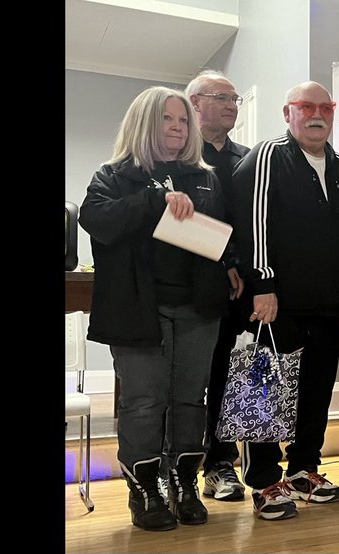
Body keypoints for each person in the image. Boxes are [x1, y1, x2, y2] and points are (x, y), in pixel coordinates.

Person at [80, 86, 236, 530]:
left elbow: (223, 232)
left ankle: (185, 481)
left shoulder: (205, 176)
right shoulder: (113, 175)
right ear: (145, 123)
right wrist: (155, 201)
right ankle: (145, 488)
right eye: (167, 119)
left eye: (183, 120)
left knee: (190, 400)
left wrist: (234, 263)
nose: (177, 127)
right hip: (138, 310)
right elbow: (98, 221)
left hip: (197, 308)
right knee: (144, 401)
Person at [231, 81, 339, 520]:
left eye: (326, 106)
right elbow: (254, 223)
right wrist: (263, 285)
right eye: (306, 106)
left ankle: (305, 467)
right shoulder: (268, 156)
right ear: (288, 113)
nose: (317, 113)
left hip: (326, 306)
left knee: (315, 392)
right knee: (263, 391)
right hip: (275, 303)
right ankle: (265, 479)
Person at [184, 69, 251, 503]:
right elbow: (179, 224)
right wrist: (223, 259)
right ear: (195, 104)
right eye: (221, 97)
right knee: (190, 380)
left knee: (231, 376)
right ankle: (180, 467)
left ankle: (222, 463)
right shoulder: (177, 157)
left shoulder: (248, 159)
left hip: (243, 286)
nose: (231, 104)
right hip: (192, 286)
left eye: (235, 99)